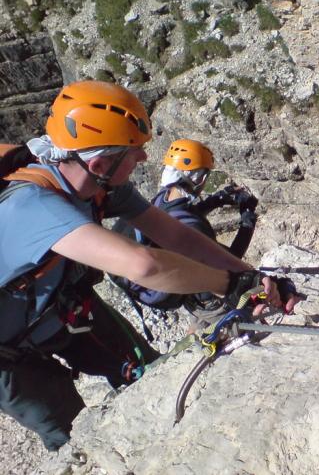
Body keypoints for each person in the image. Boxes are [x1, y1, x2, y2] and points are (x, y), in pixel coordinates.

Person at [0, 80, 291, 451]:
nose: (144, 159)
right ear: (100, 162)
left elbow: (179, 238)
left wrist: (252, 277)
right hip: (8, 355)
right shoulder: (33, 206)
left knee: (148, 375)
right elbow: (144, 265)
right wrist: (228, 284)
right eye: (134, 152)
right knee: (73, 436)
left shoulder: (100, 184)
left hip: (63, 309)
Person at [111, 138, 263, 330]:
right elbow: (230, 261)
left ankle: (194, 342)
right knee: (242, 328)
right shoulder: (195, 225)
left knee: (200, 330)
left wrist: (217, 199)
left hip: (187, 290)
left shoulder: (160, 200)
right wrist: (247, 218)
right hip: (210, 299)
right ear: (199, 178)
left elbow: (180, 212)